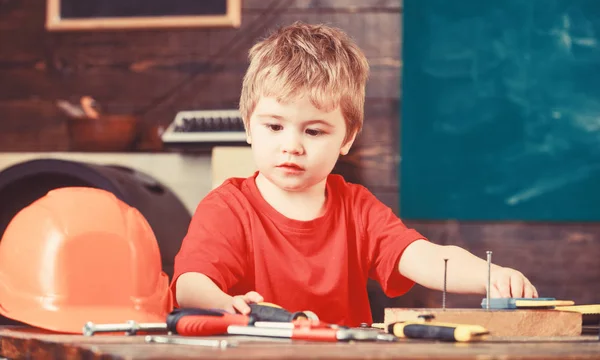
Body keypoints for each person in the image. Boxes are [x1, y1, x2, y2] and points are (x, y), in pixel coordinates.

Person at [171, 21, 538, 326]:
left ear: (347, 138)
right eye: (274, 127)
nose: (292, 146)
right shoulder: (228, 208)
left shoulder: (357, 208)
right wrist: (225, 303)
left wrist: (488, 276)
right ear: (249, 127)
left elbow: (421, 255)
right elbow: (190, 283)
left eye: (313, 131)